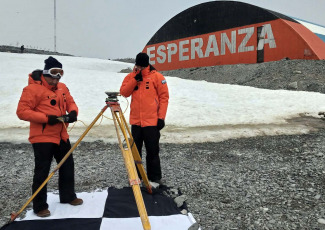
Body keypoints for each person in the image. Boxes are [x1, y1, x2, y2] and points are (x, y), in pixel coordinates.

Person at [16, 56, 83, 217]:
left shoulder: (62, 87)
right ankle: (39, 207)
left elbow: (71, 103)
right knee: (42, 172)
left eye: (59, 75)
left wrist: (73, 113)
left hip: (61, 135)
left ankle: (68, 196)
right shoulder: (32, 89)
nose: (55, 80)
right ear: (45, 73)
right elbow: (22, 112)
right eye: (53, 76)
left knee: (67, 166)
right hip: (42, 137)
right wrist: (47, 119)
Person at [120, 52, 169, 185]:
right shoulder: (131, 76)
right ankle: (137, 177)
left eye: (142, 66)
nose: (140, 68)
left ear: (146, 64)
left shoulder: (157, 77)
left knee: (152, 151)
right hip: (136, 122)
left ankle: (155, 177)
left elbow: (164, 98)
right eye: (138, 66)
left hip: (152, 122)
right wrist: (136, 79)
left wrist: (161, 118)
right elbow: (124, 92)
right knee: (135, 152)